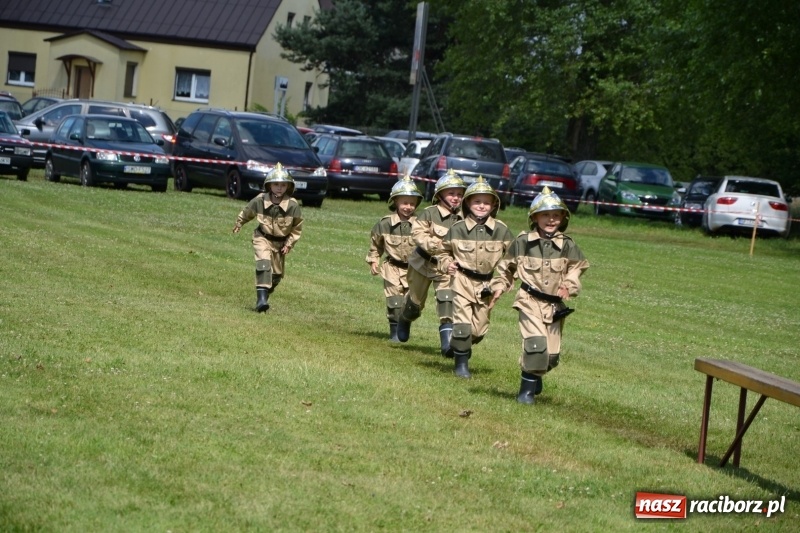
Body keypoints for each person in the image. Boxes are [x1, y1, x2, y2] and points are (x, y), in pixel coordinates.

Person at [490, 186, 589, 404]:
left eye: (556, 215)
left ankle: (535, 372)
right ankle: (525, 392)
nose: (551, 220)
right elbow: (506, 268)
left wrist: (569, 286)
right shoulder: (523, 242)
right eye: (545, 215)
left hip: (554, 307)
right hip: (528, 301)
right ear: (535, 217)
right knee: (536, 346)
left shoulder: (567, 244)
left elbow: (577, 267)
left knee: (551, 357)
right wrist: (499, 286)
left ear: (563, 217)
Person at [437, 177, 514, 378]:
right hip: (461, 281)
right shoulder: (457, 228)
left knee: (478, 331)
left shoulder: (501, 229)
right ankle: (461, 365)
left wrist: (503, 281)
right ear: (468, 204)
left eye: (486, 202)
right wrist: (447, 263)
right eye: (477, 201)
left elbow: (513, 259)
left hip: (486, 285)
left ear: (494, 205)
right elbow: (443, 252)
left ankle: (457, 345)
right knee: (462, 325)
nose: (481, 206)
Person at [396, 169, 467, 355]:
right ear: (440, 194)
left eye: (459, 194)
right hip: (421, 263)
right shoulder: (429, 213)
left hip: (445, 268)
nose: (456, 198)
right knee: (415, 305)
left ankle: (447, 345)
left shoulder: (465, 219)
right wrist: (437, 245)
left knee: (447, 300)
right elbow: (418, 234)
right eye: (451, 193)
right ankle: (404, 318)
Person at [232, 162, 303, 312]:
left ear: (288, 187)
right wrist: (240, 223)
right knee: (263, 264)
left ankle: (265, 293)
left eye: (283, 185)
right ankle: (261, 301)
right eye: (276, 184)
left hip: (280, 243)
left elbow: (297, 227)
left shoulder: (293, 205)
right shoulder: (260, 200)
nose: (279, 188)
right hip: (262, 237)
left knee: (276, 276)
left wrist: (289, 243)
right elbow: (247, 212)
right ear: (269, 185)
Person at [366, 176, 422, 341]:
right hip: (392, 268)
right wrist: (374, 260)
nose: (408, 207)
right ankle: (394, 333)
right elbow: (376, 244)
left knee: (410, 303)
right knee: (394, 301)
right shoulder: (384, 224)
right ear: (395, 201)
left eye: (412, 204)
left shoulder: (421, 224)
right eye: (404, 203)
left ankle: (404, 325)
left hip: (414, 270)